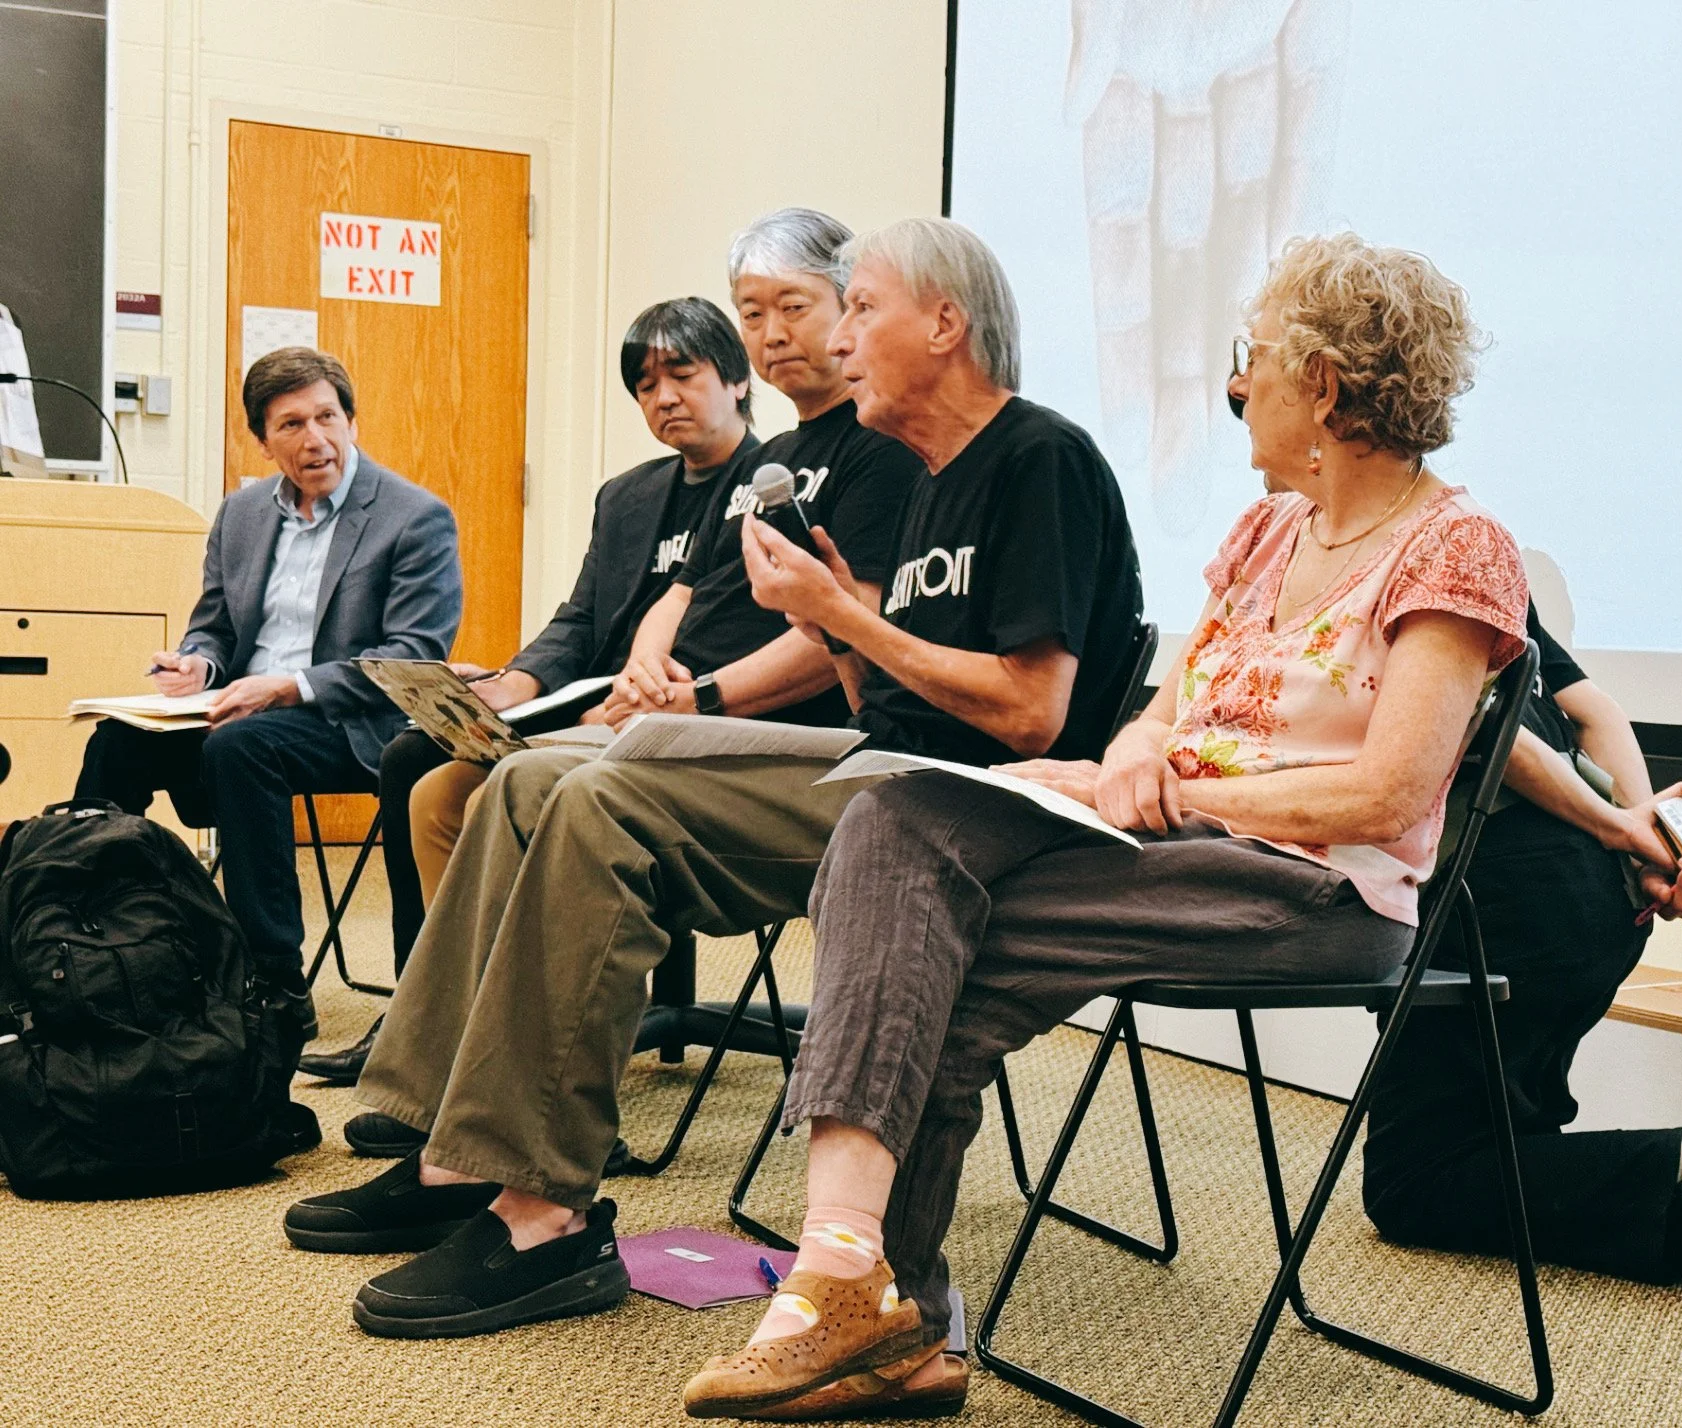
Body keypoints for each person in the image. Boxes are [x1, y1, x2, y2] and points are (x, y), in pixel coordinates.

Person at [680, 231, 1529, 1420]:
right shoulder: (1264, 531)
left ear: (1324, 385)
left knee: (927, 954)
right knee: (897, 817)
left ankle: (871, 1302)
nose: (1237, 385)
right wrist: (1120, 765)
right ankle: (862, 1290)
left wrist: (1182, 794)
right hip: (1173, 844)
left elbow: (1387, 797)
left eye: (1257, 359)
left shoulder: (1456, 548)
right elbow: (1163, 712)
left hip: (1318, 890)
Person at [280, 214, 1144, 1346]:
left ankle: (543, 1216)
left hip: (967, 808)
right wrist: (830, 621)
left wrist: (841, 620)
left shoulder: (1037, 458)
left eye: (860, 311)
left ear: (944, 325)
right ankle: (452, 1155)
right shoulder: (933, 475)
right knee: (529, 782)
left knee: (589, 803)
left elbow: (1029, 709)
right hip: (879, 765)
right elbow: (887, 688)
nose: (838, 343)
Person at [1360, 602, 1682, 1312]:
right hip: (1592, 899)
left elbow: (1483, 725)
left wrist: (1618, 827)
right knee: (1506, 1144)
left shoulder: (1393, 565)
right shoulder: (1493, 569)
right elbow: (1596, 712)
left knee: (1413, 1185)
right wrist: (1648, 847)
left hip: (1499, 899)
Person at [297, 296, 759, 1085]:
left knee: (479, 798)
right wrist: (513, 683)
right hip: (586, 706)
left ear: (739, 380)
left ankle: (510, 1041)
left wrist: (588, 704)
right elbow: (579, 618)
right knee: (416, 760)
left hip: (673, 720)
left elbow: (732, 639)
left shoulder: (767, 484)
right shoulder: (628, 496)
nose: (665, 398)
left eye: (682, 374)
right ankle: (432, 1010)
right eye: (646, 386)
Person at [73, 348, 460, 1037]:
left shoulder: (414, 517)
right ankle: (82, 942)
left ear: (351, 420)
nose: (315, 439)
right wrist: (198, 667)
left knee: (244, 748)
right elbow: (215, 628)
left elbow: (413, 657)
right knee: (117, 741)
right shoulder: (242, 514)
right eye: (291, 425)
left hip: (352, 723)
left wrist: (290, 686)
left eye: (327, 417)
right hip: (240, 710)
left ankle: (272, 981)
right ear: (263, 440)